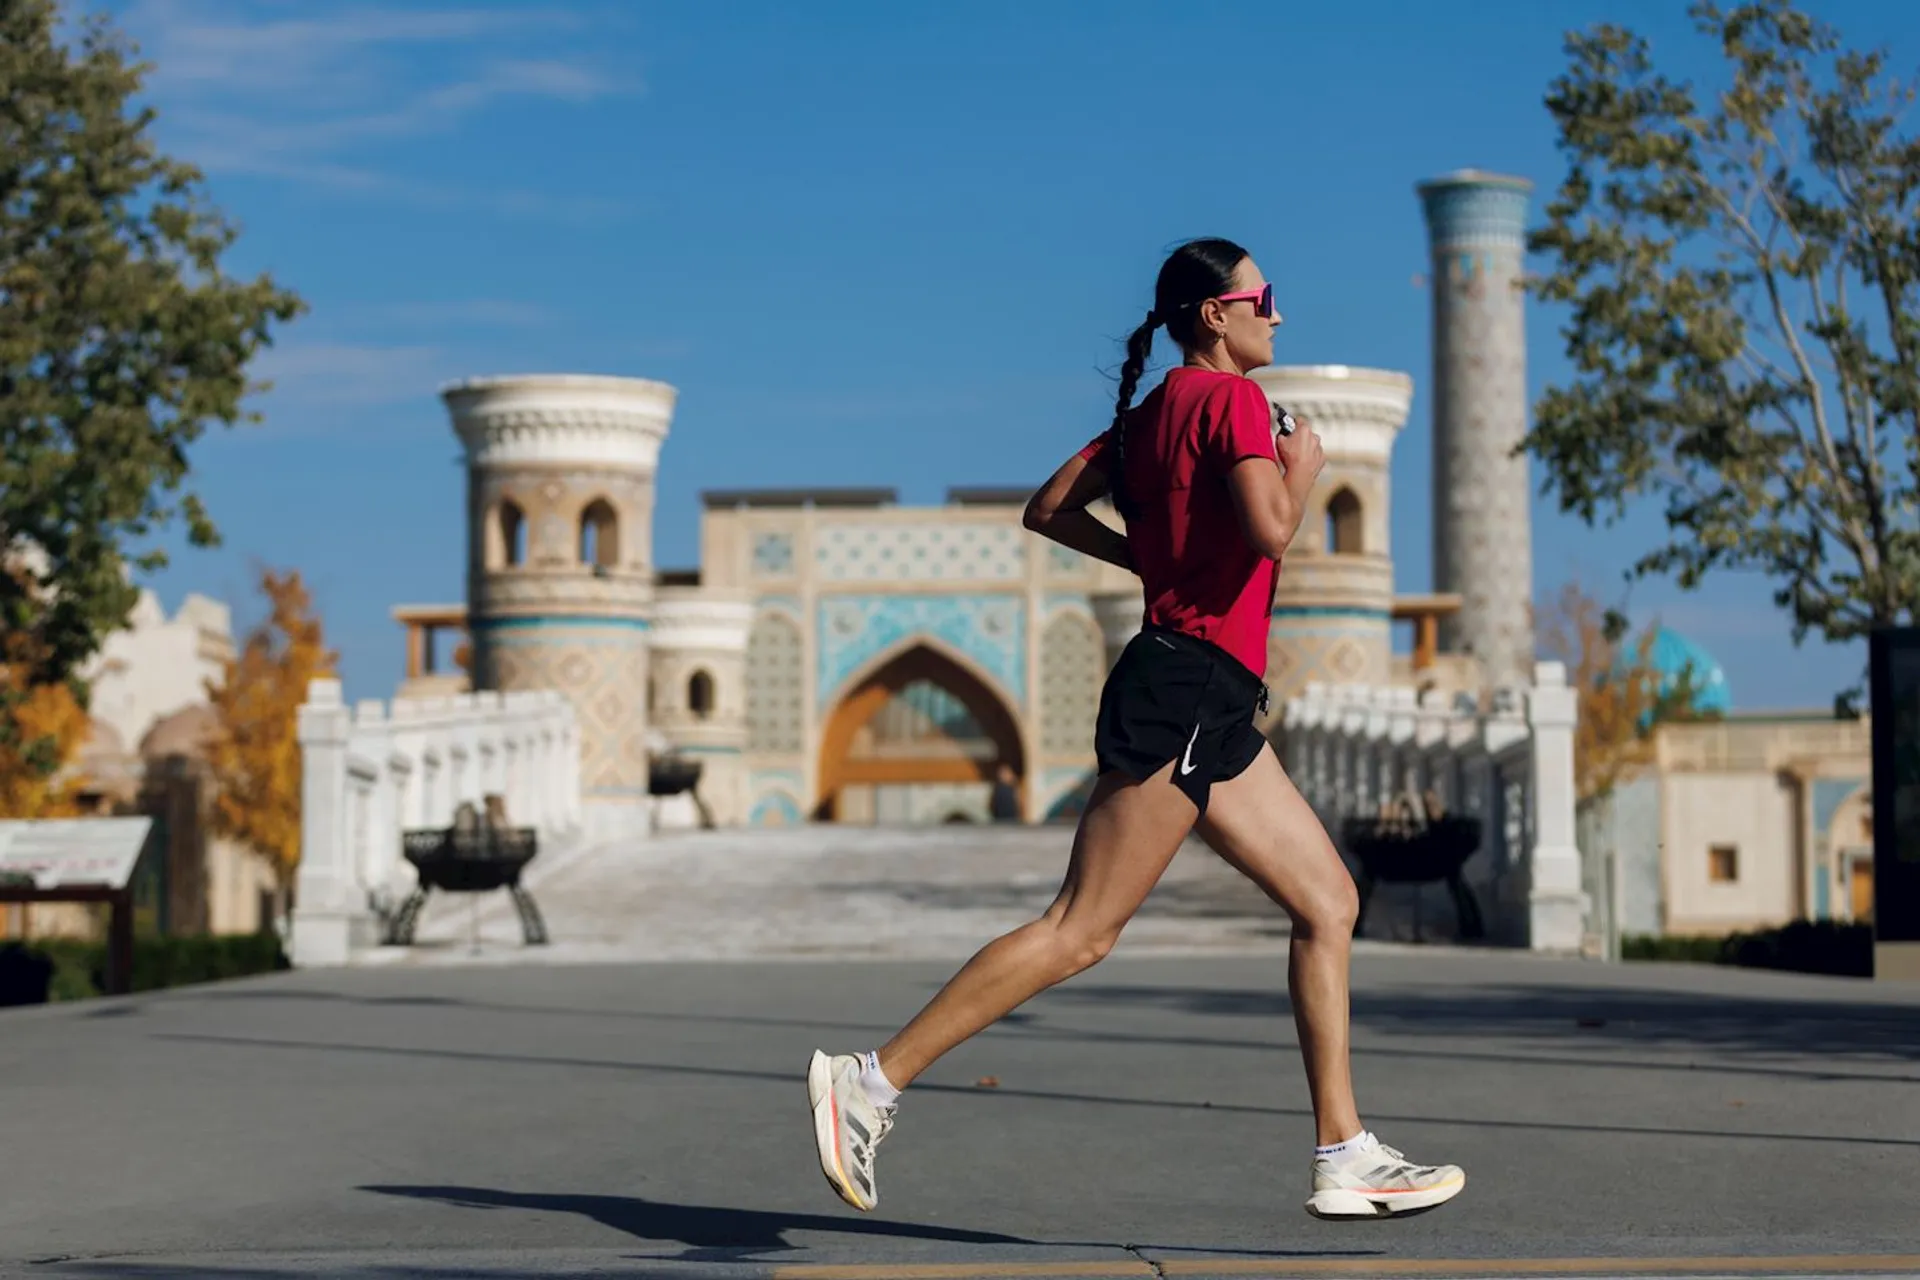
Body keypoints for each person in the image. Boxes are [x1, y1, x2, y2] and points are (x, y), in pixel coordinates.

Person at [806, 238, 1465, 1222]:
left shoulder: (1151, 413)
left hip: (1213, 695)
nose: (1276, 315)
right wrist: (1304, 466)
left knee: (1328, 899)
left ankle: (1345, 1149)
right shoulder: (1235, 403)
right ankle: (870, 1077)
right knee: (1081, 928)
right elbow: (1273, 531)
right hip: (1191, 687)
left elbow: (1047, 509)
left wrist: (1152, 564)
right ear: (1215, 314)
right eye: (1264, 298)